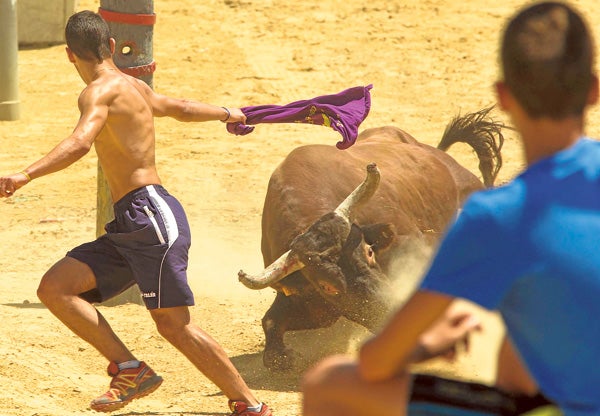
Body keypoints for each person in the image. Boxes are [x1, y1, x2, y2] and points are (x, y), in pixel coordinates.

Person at [302, 1, 600, 415]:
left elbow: (376, 362)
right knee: (522, 343)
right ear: (593, 89)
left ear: (504, 97)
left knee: (328, 384)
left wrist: (428, 343)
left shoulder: (499, 215)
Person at [0, 10, 271, 416]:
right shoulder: (134, 86)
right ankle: (131, 369)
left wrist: (25, 174)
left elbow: (79, 143)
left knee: (174, 325)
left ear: (70, 56)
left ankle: (251, 405)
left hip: (150, 217)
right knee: (56, 288)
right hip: (134, 222)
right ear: (110, 46)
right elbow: (178, 106)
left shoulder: (97, 92)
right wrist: (227, 112)